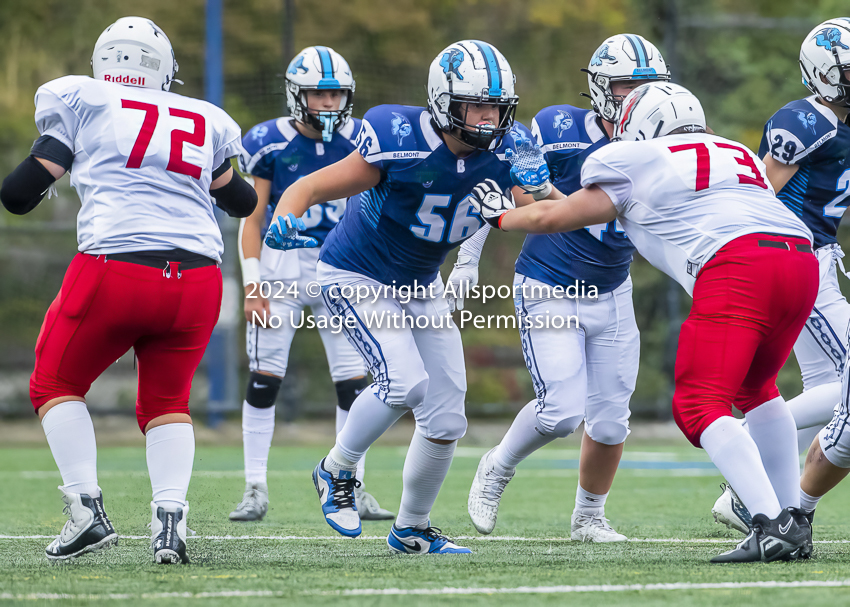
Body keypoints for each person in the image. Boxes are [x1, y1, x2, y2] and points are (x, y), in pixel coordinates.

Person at [469, 82, 818, 563]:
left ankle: (769, 522)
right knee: (758, 389)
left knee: (698, 403)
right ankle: (793, 516)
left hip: (739, 264)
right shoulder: (735, 151)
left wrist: (502, 219)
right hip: (799, 257)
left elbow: (558, 217)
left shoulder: (632, 158)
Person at [264, 40, 542, 554]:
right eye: (476, 105)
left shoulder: (510, 149)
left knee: (447, 415)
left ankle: (411, 528)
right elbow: (308, 188)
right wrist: (286, 214)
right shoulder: (398, 136)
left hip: (420, 282)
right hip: (356, 272)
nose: (489, 118)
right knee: (404, 382)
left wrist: (543, 191)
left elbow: (553, 215)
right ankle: (335, 469)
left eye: (497, 107)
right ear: (442, 103)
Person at [0, 17, 257, 564]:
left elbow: (18, 193)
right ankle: (170, 523)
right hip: (197, 281)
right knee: (168, 403)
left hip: (118, 267)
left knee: (54, 382)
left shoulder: (85, 99)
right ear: (162, 70)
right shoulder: (202, 116)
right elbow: (240, 201)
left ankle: (86, 512)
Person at [461, 33, 669, 542]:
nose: (634, 97)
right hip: (549, 284)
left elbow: (611, 224)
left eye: (646, 87)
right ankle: (497, 465)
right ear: (599, 87)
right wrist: (470, 257)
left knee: (612, 421)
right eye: (624, 85)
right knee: (559, 413)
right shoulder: (557, 126)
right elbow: (513, 198)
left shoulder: (662, 145)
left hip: (613, 289)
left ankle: (589, 517)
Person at [231, 45, 392, 523]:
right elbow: (251, 218)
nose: (328, 104)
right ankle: (254, 487)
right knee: (265, 379)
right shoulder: (269, 142)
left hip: (341, 267)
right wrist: (252, 283)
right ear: (296, 95)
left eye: (335, 94)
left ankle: (353, 484)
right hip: (282, 270)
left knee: (355, 385)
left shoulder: (362, 139)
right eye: (318, 95)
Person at [712, 18, 850, 537]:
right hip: (796, 260)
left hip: (820, 258)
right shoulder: (806, 120)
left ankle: (746, 492)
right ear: (824, 72)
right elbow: (760, 190)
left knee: (828, 386)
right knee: (847, 378)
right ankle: (744, 447)